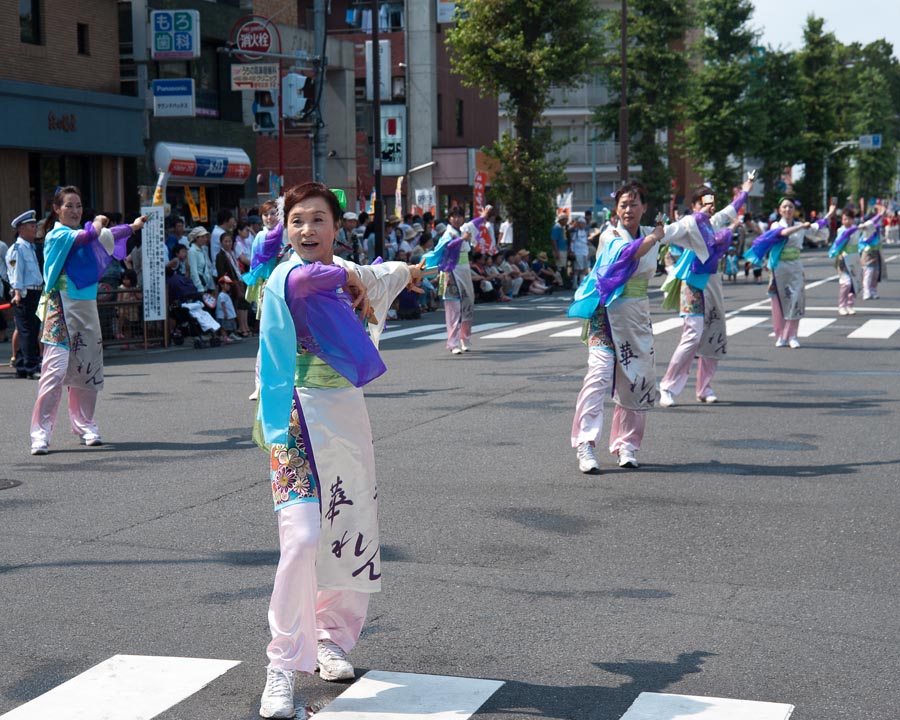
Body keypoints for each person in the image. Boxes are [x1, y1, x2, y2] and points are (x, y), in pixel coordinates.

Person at [254, 182, 433, 718]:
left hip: (347, 417)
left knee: (350, 529)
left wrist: (412, 271)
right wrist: (366, 274)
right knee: (304, 536)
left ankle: (332, 636)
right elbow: (328, 278)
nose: (307, 230)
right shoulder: (289, 276)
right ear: (286, 230)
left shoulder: (355, 273)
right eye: (297, 221)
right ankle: (282, 665)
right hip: (294, 416)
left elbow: (391, 276)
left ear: (337, 226)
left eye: (317, 220)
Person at [29, 186, 146, 455]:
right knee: (54, 372)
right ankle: (40, 434)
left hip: (86, 307)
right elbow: (86, 236)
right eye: (69, 206)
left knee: (87, 369)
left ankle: (85, 425)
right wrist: (96, 222)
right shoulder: (56, 235)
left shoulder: (85, 233)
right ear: (56, 209)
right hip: (60, 308)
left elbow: (106, 235)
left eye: (79, 205)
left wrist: (133, 226)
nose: (75, 210)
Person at [568, 180, 666, 472]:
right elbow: (627, 254)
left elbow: (691, 229)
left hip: (636, 317)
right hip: (606, 315)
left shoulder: (653, 233)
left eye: (634, 204)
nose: (628, 209)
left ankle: (627, 444)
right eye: (623, 204)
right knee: (598, 376)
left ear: (644, 207)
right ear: (616, 209)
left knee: (635, 380)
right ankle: (585, 444)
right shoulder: (610, 235)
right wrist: (656, 237)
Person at [658, 175, 754, 407]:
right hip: (692, 284)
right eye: (703, 203)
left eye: (711, 202)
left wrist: (746, 189)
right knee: (692, 336)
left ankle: (704, 387)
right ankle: (667, 386)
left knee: (713, 334)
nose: (709, 207)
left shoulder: (715, 222)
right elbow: (667, 233)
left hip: (713, 284)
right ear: (694, 206)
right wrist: (651, 233)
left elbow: (734, 207)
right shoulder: (689, 224)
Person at [743, 196, 834, 349]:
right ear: (779, 210)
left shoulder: (800, 225)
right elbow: (782, 233)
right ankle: (780, 335)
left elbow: (817, 229)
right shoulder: (775, 226)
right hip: (779, 267)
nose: (787, 210)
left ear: (794, 210)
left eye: (790, 207)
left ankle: (792, 335)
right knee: (778, 303)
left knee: (796, 299)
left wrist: (829, 216)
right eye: (784, 207)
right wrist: (802, 227)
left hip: (795, 267)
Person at [424, 206, 476, 354]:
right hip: (451, 272)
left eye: (460, 216)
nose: (457, 219)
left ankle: (465, 338)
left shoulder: (465, 231)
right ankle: (453, 343)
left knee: (467, 305)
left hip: (465, 271)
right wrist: (461, 239)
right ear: (450, 218)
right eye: (454, 216)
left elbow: (477, 223)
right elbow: (448, 246)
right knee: (453, 307)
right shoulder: (448, 234)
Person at [8, 210, 43, 379]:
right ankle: (31, 367)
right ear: (21, 228)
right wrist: (17, 293)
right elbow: (15, 273)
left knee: (31, 330)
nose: (35, 228)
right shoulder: (17, 248)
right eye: (32, 226)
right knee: (28, 332)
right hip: (24, 294)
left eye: (35, 225)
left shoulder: (31, 247)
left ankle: (22, 366)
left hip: (35, 292)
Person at [828, 207, 881, 315]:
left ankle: (850, 305)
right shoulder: (841, 230)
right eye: (844, 219)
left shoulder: (857, 229)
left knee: (854, 284)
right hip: (843, 259)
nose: (846, 222)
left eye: (848, 219)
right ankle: (841, 305)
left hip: (855, 259)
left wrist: (880, 214)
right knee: (846, 283)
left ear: (853, 219)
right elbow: (843, 238)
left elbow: (870, 223)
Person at [215, 231, 252, 337]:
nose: (228, 243)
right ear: (221, 242)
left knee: (244, 303)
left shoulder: (232, 253)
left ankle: (245, 326)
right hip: (230, 283)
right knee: (238, 304)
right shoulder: (220, 255)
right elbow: (221, 271)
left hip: (238, 279)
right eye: (225, 241)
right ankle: (240, 327)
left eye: (229, 241)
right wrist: (225, 284)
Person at [187, 226, 216, 293]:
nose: (205, 239)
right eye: (202, 237)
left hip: (206, 284)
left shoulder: (203, 249)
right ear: (196, 238)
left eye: (205, 237)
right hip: (198, 287)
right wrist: (199, 287)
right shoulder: (192, 251)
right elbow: (194, 271)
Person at [215, 275, 241, 344]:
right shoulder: (222, 295)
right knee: (224, 326)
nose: (229, 286)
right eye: (227, 284)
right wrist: (225, 313)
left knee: (229, 325)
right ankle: (225, 337)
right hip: (223, 315)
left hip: (229, 314)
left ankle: (230, 335)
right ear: (222, 285)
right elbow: (222, 304)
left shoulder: (225, 294)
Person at [570, 216, 591, 285]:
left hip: (585, 252)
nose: (582, 225)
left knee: (584, 268)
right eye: (581, 223)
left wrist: (588, 252)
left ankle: (581, 283)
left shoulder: (585, 232)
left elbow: (586, 243)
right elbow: (572, 242)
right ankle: (575, 284)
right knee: (577, 268)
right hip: (577, 252)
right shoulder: (575, 232)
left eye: (584, 223)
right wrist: (572, 251)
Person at [550, 214, 569, 286]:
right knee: (559, 266)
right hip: (559, 249)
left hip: (563, 249)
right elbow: (553, 240)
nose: (566, 221)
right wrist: (556, 251)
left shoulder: (562, 228)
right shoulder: (556, 228)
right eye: (565, 219)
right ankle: (557, 282)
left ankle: (558, 282)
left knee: (562, 266)